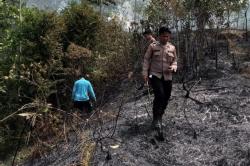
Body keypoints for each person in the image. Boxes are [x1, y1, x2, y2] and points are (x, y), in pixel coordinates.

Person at [142, 26, 177, 129]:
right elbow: (146, 59)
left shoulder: (172, 48)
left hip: (167, 76)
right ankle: (155, 119)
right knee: (159, 95)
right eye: (163, 36)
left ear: (169, 36)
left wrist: (174, 67)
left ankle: (160, 116)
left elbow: (175, 61)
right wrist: (145, 73)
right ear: (159, 36)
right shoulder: (153, 46)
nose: (165, 38)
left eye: (167, 36)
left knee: (166, 96)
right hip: (154, 74)